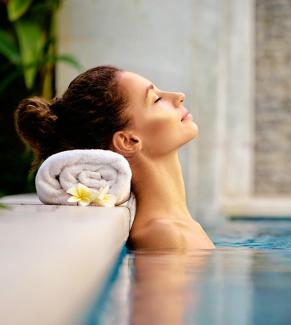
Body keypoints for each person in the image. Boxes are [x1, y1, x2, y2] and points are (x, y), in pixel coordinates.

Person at [15, 65, 215, 250]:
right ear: (128, 141)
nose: (179, 96)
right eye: (156, 99)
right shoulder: (162, 235)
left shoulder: (181, 227)